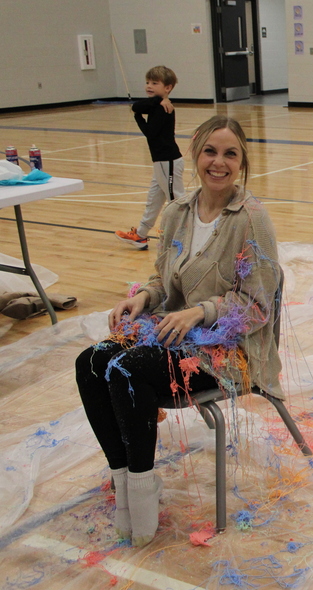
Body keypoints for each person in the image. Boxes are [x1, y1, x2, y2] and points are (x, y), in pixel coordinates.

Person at [76, 115, 283, 547]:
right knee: (90, 362)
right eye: (210, 151)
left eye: (230, 153)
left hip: (228, 350)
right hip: (172, 334)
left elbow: (257, 306)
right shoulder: (176, 213)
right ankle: (127, 487)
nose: (219, 162)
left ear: (243, 160)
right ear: (195, 154)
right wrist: (143, 300)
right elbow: (162, 280)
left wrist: (198, 314)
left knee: (128, 370)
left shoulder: (251, 219)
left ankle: (141, 488)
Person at [116, 65, 182, 250]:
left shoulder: (163, 109)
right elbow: (136, 106)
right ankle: (140, 235)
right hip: (160, 162)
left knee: (177, 200)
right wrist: (157, 101)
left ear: (167, 87)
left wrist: (139, 118)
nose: (149, 86)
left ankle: (186, 235)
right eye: (147, 82)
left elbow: (150, 133)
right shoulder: (157, 105)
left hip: (168, 160)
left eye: (155, 83)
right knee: (154, 199)